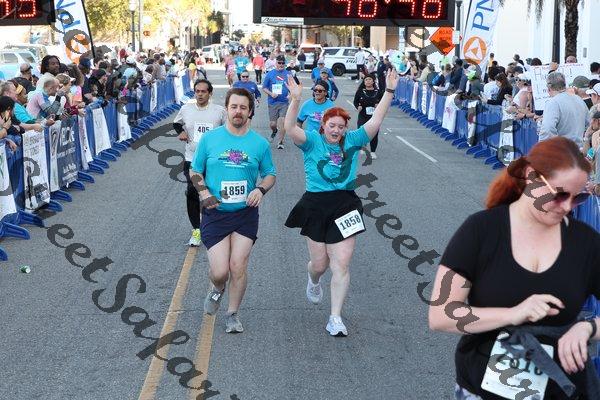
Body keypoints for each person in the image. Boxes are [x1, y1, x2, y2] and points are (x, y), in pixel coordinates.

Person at [428, 137, 600, 400]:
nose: (567, 207)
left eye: (579, 198)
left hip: (561, 390)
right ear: (532, 177)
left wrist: (588, 328)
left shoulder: (586, 243)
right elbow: (441, 315)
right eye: (560, 194)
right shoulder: (480, 230)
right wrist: (513, 314)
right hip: (481, 388)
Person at [283, 69, 400, 336]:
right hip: (315, 203)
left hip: (345, 204)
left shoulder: (354, 140)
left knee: (342, 263)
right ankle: (313, 279)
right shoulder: (312, 141)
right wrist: (296, 99)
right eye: (332, 125)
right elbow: (290, 128)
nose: (336, 130)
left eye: (340, 126)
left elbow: (376, 119)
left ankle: (335, 317)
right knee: (320, 265)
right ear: (323, 126)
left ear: (345, 128)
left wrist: (389, 91)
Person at [190, 88, 276, 333]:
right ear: (226, 109)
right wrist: (204, 193)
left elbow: (270, 174)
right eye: (234, 107)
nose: (238, 111)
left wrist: (260, 189)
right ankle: (217, 289)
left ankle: (232, 314)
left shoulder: (259, 143)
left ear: (250, 112)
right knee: (220, 272)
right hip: (215, 212)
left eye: (243, 108)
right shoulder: (210, 139)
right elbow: (195, 171)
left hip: (244, 214)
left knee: (238, 266)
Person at [173, 79, 227, 247]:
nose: (200, 94)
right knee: (192, 191)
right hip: (192, 159)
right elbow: (176, 123)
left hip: (213, 161)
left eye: (203, 91)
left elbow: (229, 130)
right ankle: (196, 229)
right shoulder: (186, 109)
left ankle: (213, 225)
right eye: (197, 91)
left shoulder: (219, 111)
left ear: (210, 93)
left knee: (212, 192)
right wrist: (181, 132)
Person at [539, 72, 589, 148]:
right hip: (578, 148)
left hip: (562, 150)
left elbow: (547, 128)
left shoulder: (553, 103)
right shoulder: (579, 99)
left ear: (549, 88)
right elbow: (589, 124)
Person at [262, 54, 291, 149]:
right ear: (276, 63)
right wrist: (271, 94)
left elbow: (293, 87)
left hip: (284, 102)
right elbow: (264, 87)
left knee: (282, 121)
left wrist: (290, 94)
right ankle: (274, 131)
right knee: (273, 124)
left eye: (283, 63)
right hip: (273, 102)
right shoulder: (270, 74)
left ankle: (280, 142)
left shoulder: (288, 74)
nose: (281, 64)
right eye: (279, 63)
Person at [353, 74, 383, 159]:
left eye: (370, 79)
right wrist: (358, 107)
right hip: (363, 115)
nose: (368, 81)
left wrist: (379, 105)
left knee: (374, 134)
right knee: (362, 131)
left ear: (373, 81)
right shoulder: (360, 91)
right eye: (366, 80)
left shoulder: (378, 92)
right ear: (364, 82)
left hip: (374, 116)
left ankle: (373, 152)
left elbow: (383, 102)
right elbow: (355, 101)